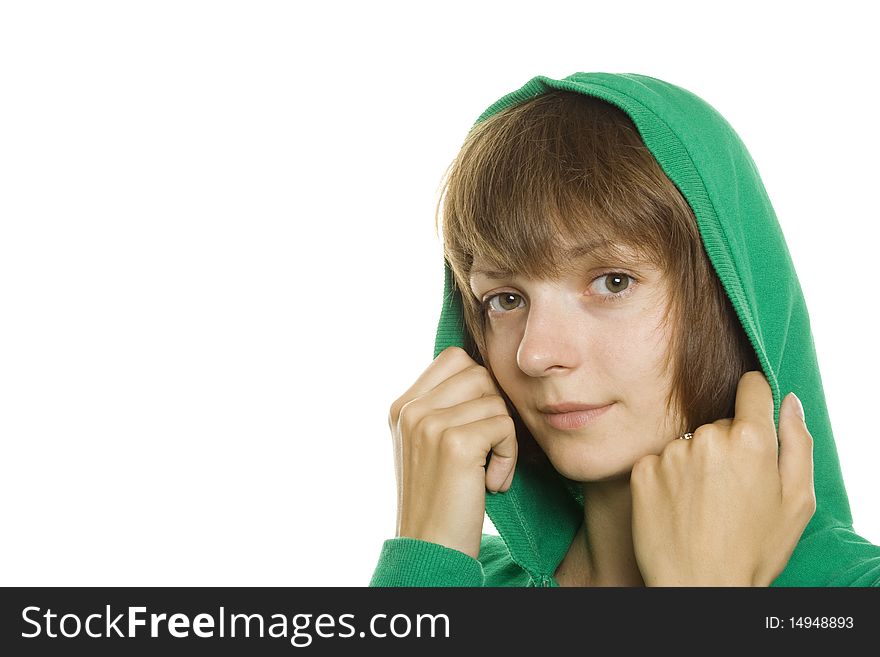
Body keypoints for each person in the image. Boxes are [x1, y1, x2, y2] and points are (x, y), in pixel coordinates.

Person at [370, 72, 880, 586]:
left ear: (732, 296)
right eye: (506, 299)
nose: (535, 354)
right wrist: (425, 552)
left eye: (613, 282)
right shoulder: (454, 575)